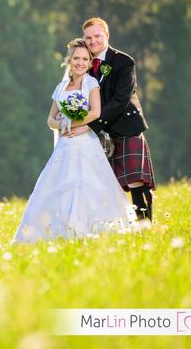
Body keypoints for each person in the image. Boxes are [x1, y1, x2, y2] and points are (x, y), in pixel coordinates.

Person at [12, 38, 135, 243]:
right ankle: (55, 233)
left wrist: (74, 123)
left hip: (85, 143)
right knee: (57, 186)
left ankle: (91, 232)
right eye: (76, 58)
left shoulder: (91, 83)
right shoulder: (61, 87)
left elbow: (95, 112)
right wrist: (62, 124)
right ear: (69, 60)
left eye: (85, 59)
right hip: (65, 145)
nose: (80, 63)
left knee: (86, 184)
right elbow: (50, 120)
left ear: (90, 63)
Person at [70, 18, 156, 221]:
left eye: (97, 36)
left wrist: (88, 125)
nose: (93, 41)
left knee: (136, 183)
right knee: (101, 186)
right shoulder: (83, 63)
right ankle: (109, 228)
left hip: (125, 128)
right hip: (98, 134)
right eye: (88, 38)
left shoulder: (123, 62)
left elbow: (121, 100)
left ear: (107, 35)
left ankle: (145, 227)